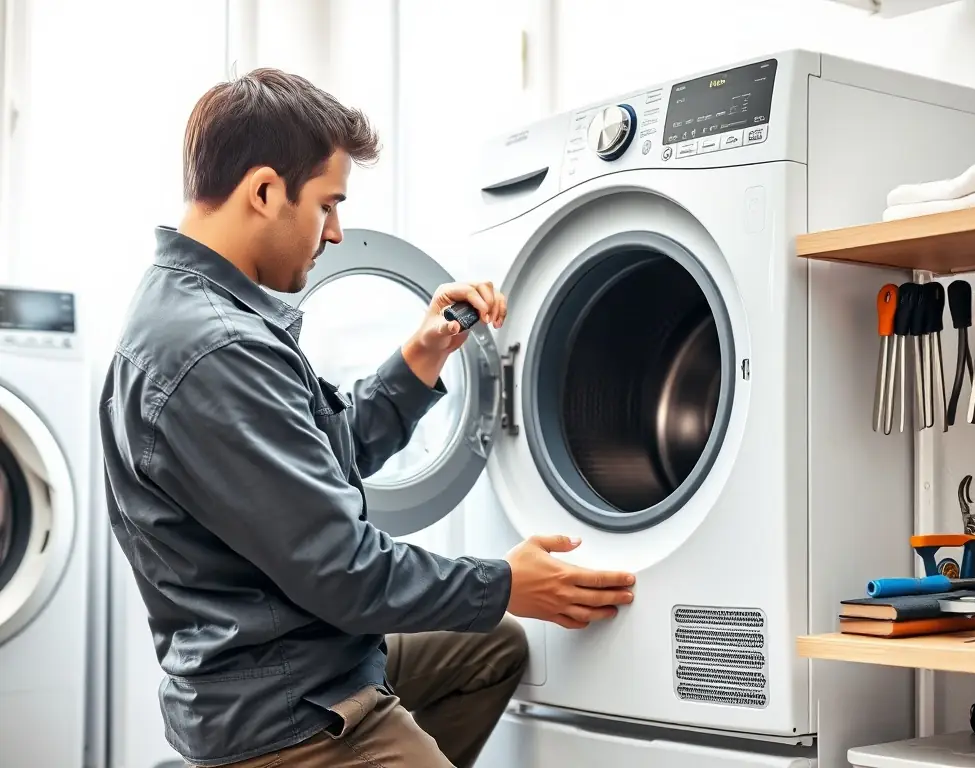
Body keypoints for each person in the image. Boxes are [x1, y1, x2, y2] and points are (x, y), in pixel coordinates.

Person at [98, 67, 637, 768]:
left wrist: (422, 355)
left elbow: (325, 457)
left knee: (492, 645)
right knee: (493, 616)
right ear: (264, 191)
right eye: (327, 205)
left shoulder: (199, 309)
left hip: (287, 655)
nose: (335, 232)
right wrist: (506, 582)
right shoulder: (215, 351)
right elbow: (345, 575)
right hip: (286, 709)